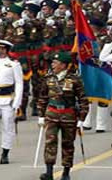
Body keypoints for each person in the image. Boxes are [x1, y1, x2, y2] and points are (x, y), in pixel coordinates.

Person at [37, 51, 89, 180]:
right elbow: (43, 97)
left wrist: (82, 118)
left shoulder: (74, 79)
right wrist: (41, 115)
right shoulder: (48, 78)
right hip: (52, 114)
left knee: (68, 144)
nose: (53, 65)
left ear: (64, 65)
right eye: (53, 62)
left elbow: (83, 99)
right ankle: (49, 172)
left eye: (56, 63)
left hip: (68, 115)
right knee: (50, 143)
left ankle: (66, 172)